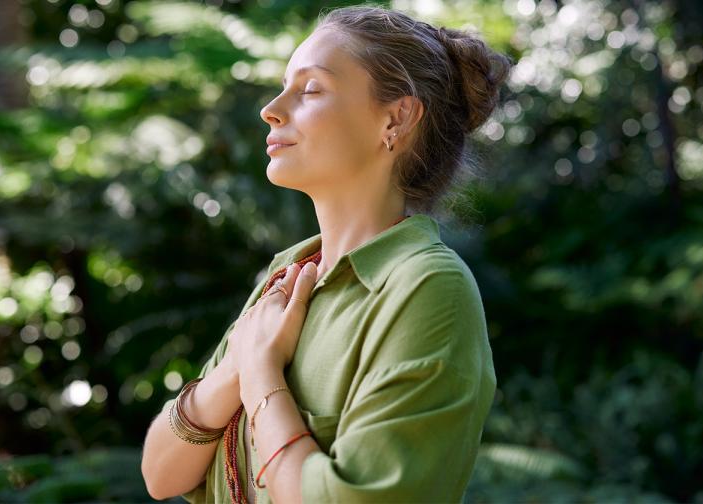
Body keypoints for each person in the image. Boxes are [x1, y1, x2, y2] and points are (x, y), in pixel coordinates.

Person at [141, 5, 511, 503]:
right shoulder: (286, 279)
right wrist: (238, 369)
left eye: (310, 89)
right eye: (283, 86)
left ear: (396, 118)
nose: (270, 108)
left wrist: (261, 379)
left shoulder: (426, 287)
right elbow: (161, 474)